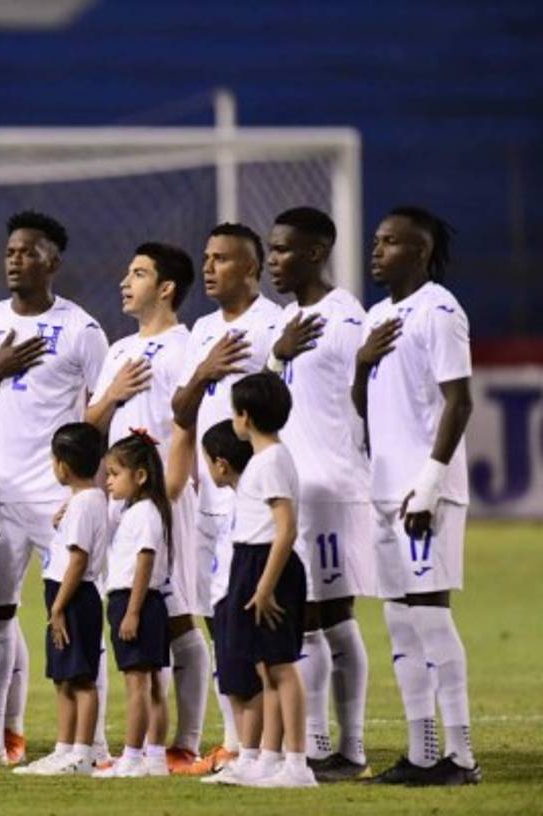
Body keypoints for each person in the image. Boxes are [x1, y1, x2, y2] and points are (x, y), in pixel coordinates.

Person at [0, 211, 108, 765]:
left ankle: (90, 745)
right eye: (11, 251)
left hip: (56, 497)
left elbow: (100, 415)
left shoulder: (82, 329)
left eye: (29, 252)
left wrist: (87, 489)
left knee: (80, 612)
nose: (16, 260)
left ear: (54, 261)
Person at [353, 207, 479, 785]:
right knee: (401, 624)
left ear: (421, 251)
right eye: (376, 241)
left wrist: (428, 483)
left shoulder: (441, 311)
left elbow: (459, 401)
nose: (377, 250)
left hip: (423, 494)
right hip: (383, 493)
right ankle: (422, 752)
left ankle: (461, 757)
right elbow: (369, 408)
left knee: (430, 618)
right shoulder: (380, 317)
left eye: (391, 242)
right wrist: (361, 363)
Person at [84, 241, 211, 772]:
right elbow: (90, 428)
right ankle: (149, 746)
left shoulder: (187, 346)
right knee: (137, 613)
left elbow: (188, 425)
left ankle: (185, 741)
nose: (124, 281)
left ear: (166, 288)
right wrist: (111, 393)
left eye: (137, 273)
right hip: (121, 504)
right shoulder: (117, 350)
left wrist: (172, 493)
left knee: (177, 615)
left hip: (166, 501)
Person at [265, 207, 373, 780]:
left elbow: (366, 396)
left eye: (282, 250)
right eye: (271, 248)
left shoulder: (343, 316)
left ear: (314, 252)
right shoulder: (290, 319)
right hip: (299, 488)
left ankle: (330, 746)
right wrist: (277, 353)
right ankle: (333, 747)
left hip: (331, 489)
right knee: (323, 617)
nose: (273, 260)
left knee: (318, 617)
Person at [171, 222, 282, 772]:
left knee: (257, 618)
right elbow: (181, 409)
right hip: (208, 499)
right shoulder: (201, 330)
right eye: (207, 257)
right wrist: (205, 372)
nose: (210, 267)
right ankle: (235, 739)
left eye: (223, 259)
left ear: (252, 268)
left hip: (254, 499)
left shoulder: (273, 326)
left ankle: (271, 742)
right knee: (219, 617)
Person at [219, 373, 315, 788]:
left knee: (281, 666)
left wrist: (264, 586)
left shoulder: (274, 459)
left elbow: (286, 529)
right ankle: (269, 759)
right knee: (265, 668)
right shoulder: (262, 460)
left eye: (234, 413)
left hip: (267, 565)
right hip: (250, 561)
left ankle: (297, 763)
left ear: (246, 417)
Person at [15, 423, 108, 777]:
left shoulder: (85, 504)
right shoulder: (84, 500)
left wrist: (58, 608)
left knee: (81, 678)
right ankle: (64, 749)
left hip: (74, 596)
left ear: (64, 465)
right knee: (64, 677)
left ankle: (83, 753)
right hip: (65, 593)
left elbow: (79, 559)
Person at [93, 431, 174, 779]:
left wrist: (133, 611)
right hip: (144, 601)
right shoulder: (141, 510)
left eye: (114, 474)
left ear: (139, 476)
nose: (108, 481)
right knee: (153, 684)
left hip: (135, 599)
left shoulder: (143, 512)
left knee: (137, 684)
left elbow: (144, 561)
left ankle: (132, 757)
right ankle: (154, 757)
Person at [195, 420, 262, 788]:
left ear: (221, 465)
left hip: (237, 602)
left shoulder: (249, 506)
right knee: (237, 684)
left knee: (250, 686)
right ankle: (246, 754)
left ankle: (255, 756)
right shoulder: (240, 501)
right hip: (225, 601)